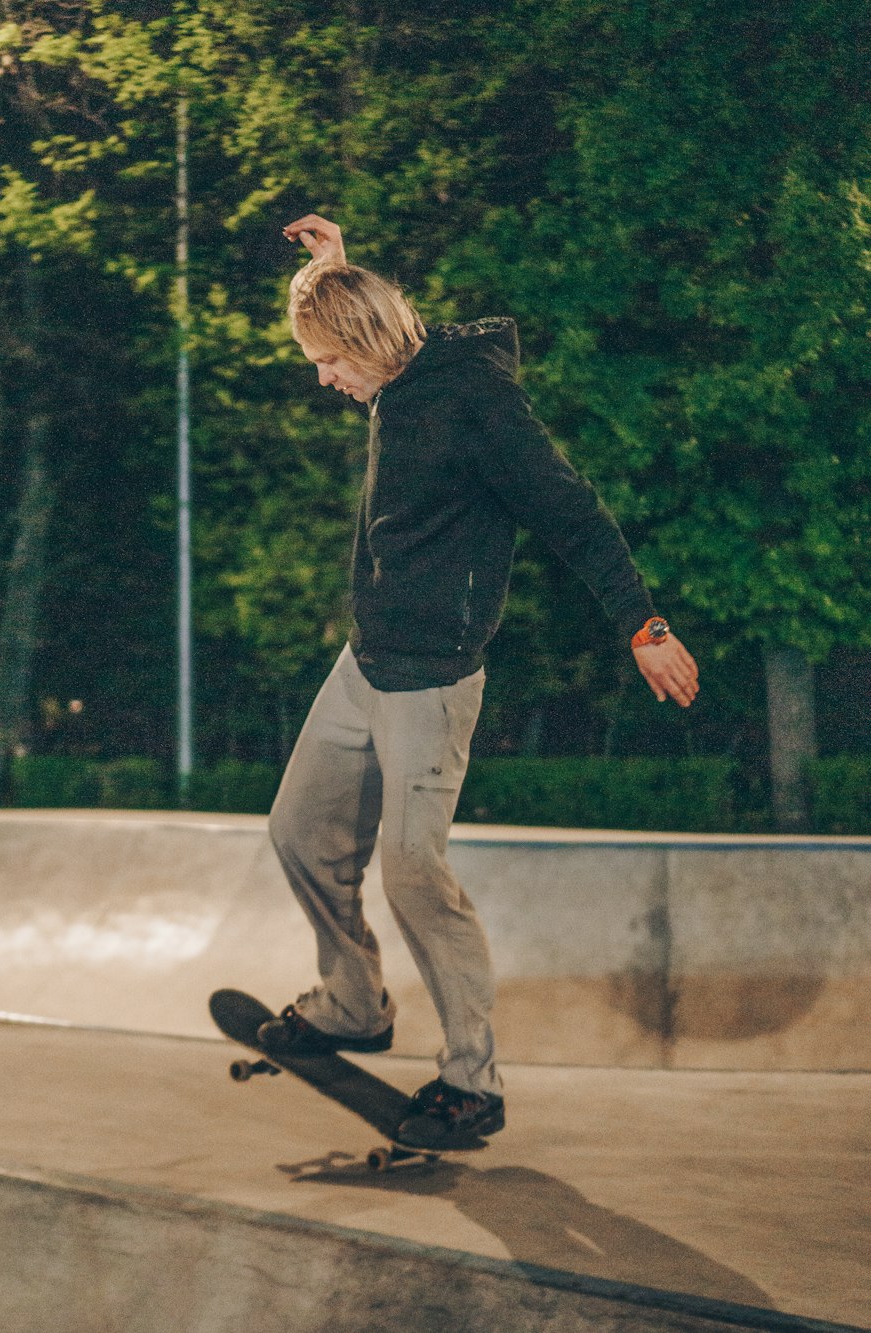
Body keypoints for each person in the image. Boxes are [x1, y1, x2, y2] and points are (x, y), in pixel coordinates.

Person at [259, 213, 699, 1149]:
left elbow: (572, 511)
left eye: (329, 360)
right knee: (298, 830)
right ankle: (354, 1001)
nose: (323, 378)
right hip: (363, 663)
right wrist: (329, 277)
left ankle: (473, 1081)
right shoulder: (395, 372)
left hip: (431, 680)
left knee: (413, 870)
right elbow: (367, 326)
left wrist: (642, 623)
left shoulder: (477, 409)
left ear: (370, 346)